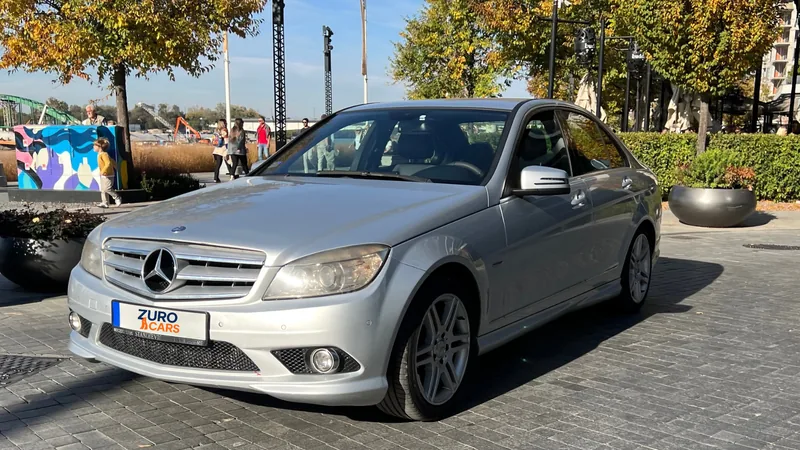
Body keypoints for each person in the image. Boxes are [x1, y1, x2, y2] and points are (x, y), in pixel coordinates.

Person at [93, 137, 122, 208]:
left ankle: (117, 197)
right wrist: (116, 166)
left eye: (95, 145)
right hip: (104, 175)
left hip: (108, 175)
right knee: (103, 190)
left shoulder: (104, 154)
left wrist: (103, 171)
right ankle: (104, 202)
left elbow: (108, 163)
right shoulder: (100, 154)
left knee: (107, 188)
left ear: (99, 147)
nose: (93, 147)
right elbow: (112, 161)